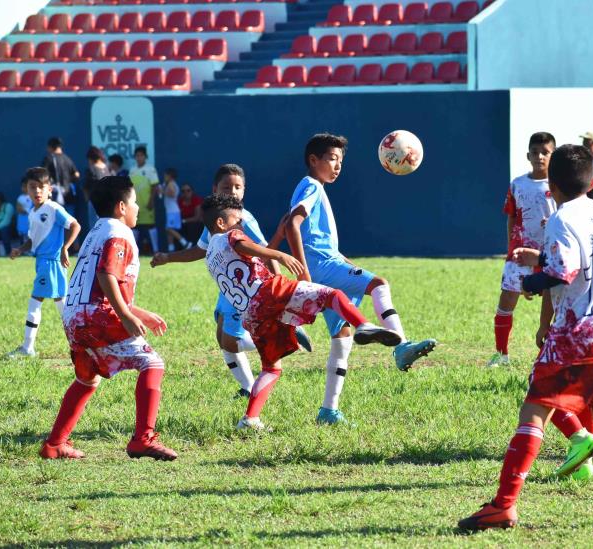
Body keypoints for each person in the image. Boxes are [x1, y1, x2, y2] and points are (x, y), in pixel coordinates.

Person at [458, 145, 593, 531]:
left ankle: (503, 505)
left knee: (534, 409)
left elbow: (563, 273)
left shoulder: (562, 219)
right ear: (591, 180)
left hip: (576, 334)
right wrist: (539, 259)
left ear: (551, 185)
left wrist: (533, 280)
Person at [203, 194, 401, 431]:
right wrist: (279, 255)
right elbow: (241, 244)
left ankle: (250, 419)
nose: (241, 226)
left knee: (271, 368)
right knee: (333, 295)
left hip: (252, 313)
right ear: (221, 224)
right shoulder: (231, 235)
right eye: (237, 220)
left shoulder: (209, 257)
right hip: (269, 291)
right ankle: (364, 325)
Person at [285, 133, 437, 425]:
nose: (338, 165)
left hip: (328, 264)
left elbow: (312, 237)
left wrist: (347, 264)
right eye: (332, 158)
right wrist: (304, 271)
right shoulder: (311, 186)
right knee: (379, 284)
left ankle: (328, 411)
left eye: (341, 160)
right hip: (323, 268)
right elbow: (293, 223)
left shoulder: (314, 188)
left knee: (342, 338)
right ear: (313, 160)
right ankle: (402, 346)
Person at [39, 175, 177, 461]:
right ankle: (143, 439)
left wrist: (137, 312)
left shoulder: (97, 231)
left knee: (86, 379)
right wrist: (126, 313)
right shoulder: (119, 233)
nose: (137, 207)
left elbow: (95, 283)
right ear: (121, 207)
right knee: (153, 363)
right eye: (135, 202)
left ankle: (55, 443)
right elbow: (106, 274)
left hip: (75, 315)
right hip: (94, 316)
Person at [151, 164, 311, 399]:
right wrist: (168, 258)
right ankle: (247, 387)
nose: (233, 191)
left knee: (231, 341)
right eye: (227, 187)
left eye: (238, 187)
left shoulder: (243, 220)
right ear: (215, 189)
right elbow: (200, 250)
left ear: (244, 191)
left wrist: (278, 286)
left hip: (247, 286)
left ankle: (281, 334)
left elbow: (265, 251)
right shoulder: (218, 219)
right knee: (222, 339)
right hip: (230, 287)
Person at [487, 132, 556, 367]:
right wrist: (511, 247)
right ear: (528, 155)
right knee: (506, 301)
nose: (539, 157)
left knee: (552, 302)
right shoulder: (518, 184)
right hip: (519, 254)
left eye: (545, 152)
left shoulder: (557, 185)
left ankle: (545, 354)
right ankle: (501, 354)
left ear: (553, 156)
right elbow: (512, 217)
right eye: (535, 152)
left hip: (549, 255)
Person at [8, 168, 80, 358]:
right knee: (63, 306)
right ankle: (83, 345)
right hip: (42, 263)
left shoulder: (53, 208)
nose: (37, 191)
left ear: (50, 189)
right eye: (33, 187)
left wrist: (66, 248)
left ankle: (27, 348)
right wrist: (20, 250)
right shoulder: (33, 212)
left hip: (51, 263)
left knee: (35, 302)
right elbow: (33, 240)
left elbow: (75, 225)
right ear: (27, 189)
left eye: (42, 187)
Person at [128, 145, 159, 254]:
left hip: (147, 204)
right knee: (134, 227)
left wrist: (151, 201)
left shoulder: (150, 169)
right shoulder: (132, 170)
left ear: (145, 157)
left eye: (141, 155)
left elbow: (155, 186)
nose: (139, 157)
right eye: (137, 155)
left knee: (151, 226)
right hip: (135, 204)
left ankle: (155, 250)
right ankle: (133, 251)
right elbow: (130, 187)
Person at [42, 137, 79, 208]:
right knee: (69, 218)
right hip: (68, 195)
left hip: (55, 197)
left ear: (50, 147)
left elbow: (42, 175)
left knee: (55, 217)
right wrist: (68, 181)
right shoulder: (67, 159)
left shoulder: (48, 158)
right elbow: (76, 175)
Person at [161, 168, 191, 251]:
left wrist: (162, 191)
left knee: (168, 229)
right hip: (170, 211)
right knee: (169, 231)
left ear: (169, 176)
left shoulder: (171, 183)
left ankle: (185, 243)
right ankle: (171, 248)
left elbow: (172, 193)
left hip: (173, 211)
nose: (164, 176)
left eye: (166, 175)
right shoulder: (168, 184)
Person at [83, 146, 111, 235]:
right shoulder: (106, 168)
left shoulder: (91, 169)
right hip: (106, 202)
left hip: (96, 203)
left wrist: (88, 199)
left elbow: (85, 186)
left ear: (92, 158)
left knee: (94, 227)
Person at [15, 178, 33, 247]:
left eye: (25, 186)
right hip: (22, 220)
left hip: (32, 221)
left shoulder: (34, 196)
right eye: (23, 186)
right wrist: (25, 211)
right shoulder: (20, 198)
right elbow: (18, 208)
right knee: (23, 236)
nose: (24, 188)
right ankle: (24, 250)